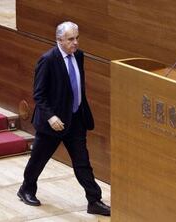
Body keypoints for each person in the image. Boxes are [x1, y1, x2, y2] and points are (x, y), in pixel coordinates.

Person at [17, 21, 111, 216]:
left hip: (75, 119)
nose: (75, 43)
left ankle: (94, 200)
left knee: (82, 162)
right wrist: (51, 116)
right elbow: (39, 94)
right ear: (59, 40)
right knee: (39, 159)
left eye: (77, 38)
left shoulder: (79, 55)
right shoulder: (48, 60)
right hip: (53, 122)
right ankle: (26, 189)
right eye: (70, 39)